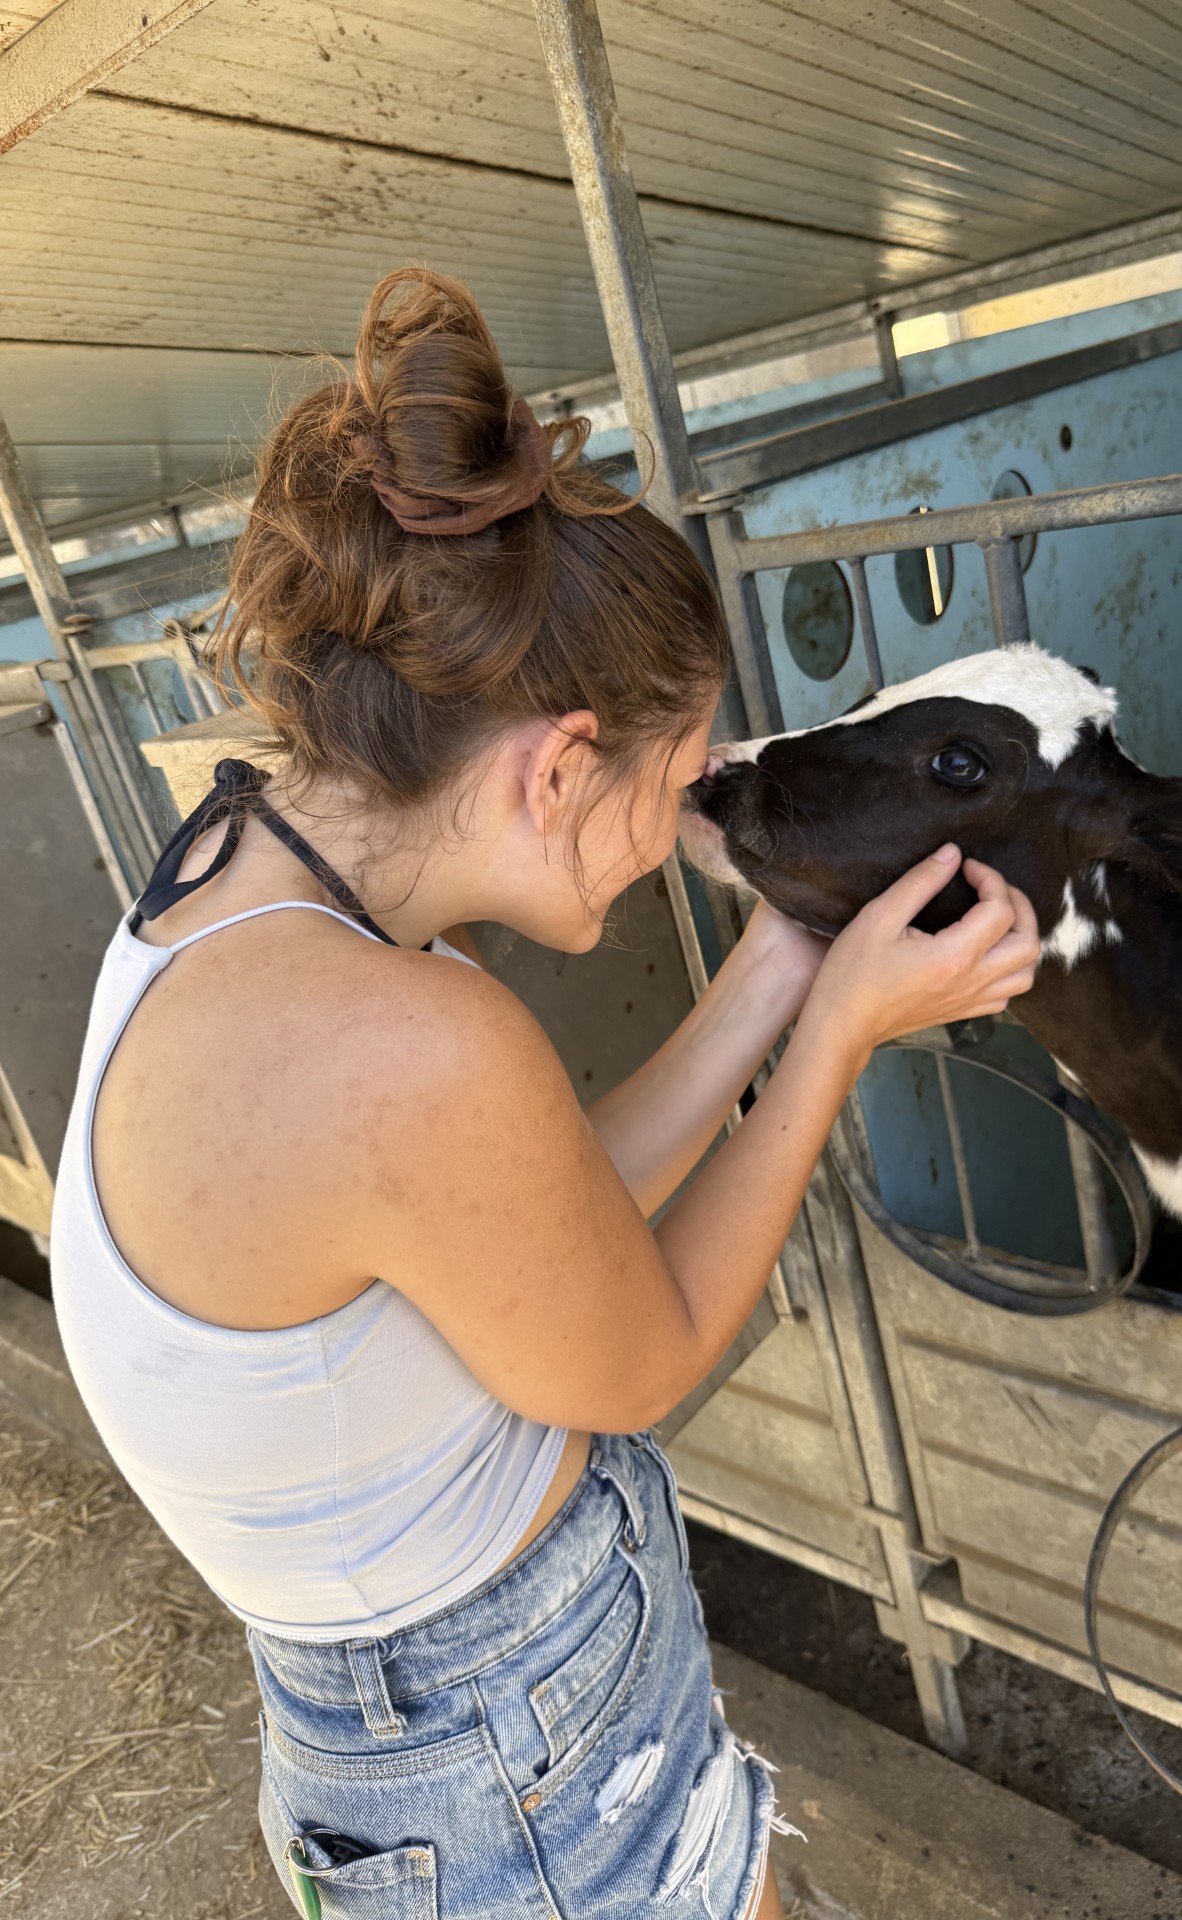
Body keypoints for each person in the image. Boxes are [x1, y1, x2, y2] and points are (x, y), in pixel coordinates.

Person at [49, 268, 1039, 1920]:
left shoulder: (242, 876)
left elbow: (536, 1208)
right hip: (518, 1768)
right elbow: (637, 1351)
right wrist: (843, 1036)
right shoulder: (409, 1041)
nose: (686, 831)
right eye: (681, 780)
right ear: (557, 762)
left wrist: (772, 980)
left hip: (416, 1733)